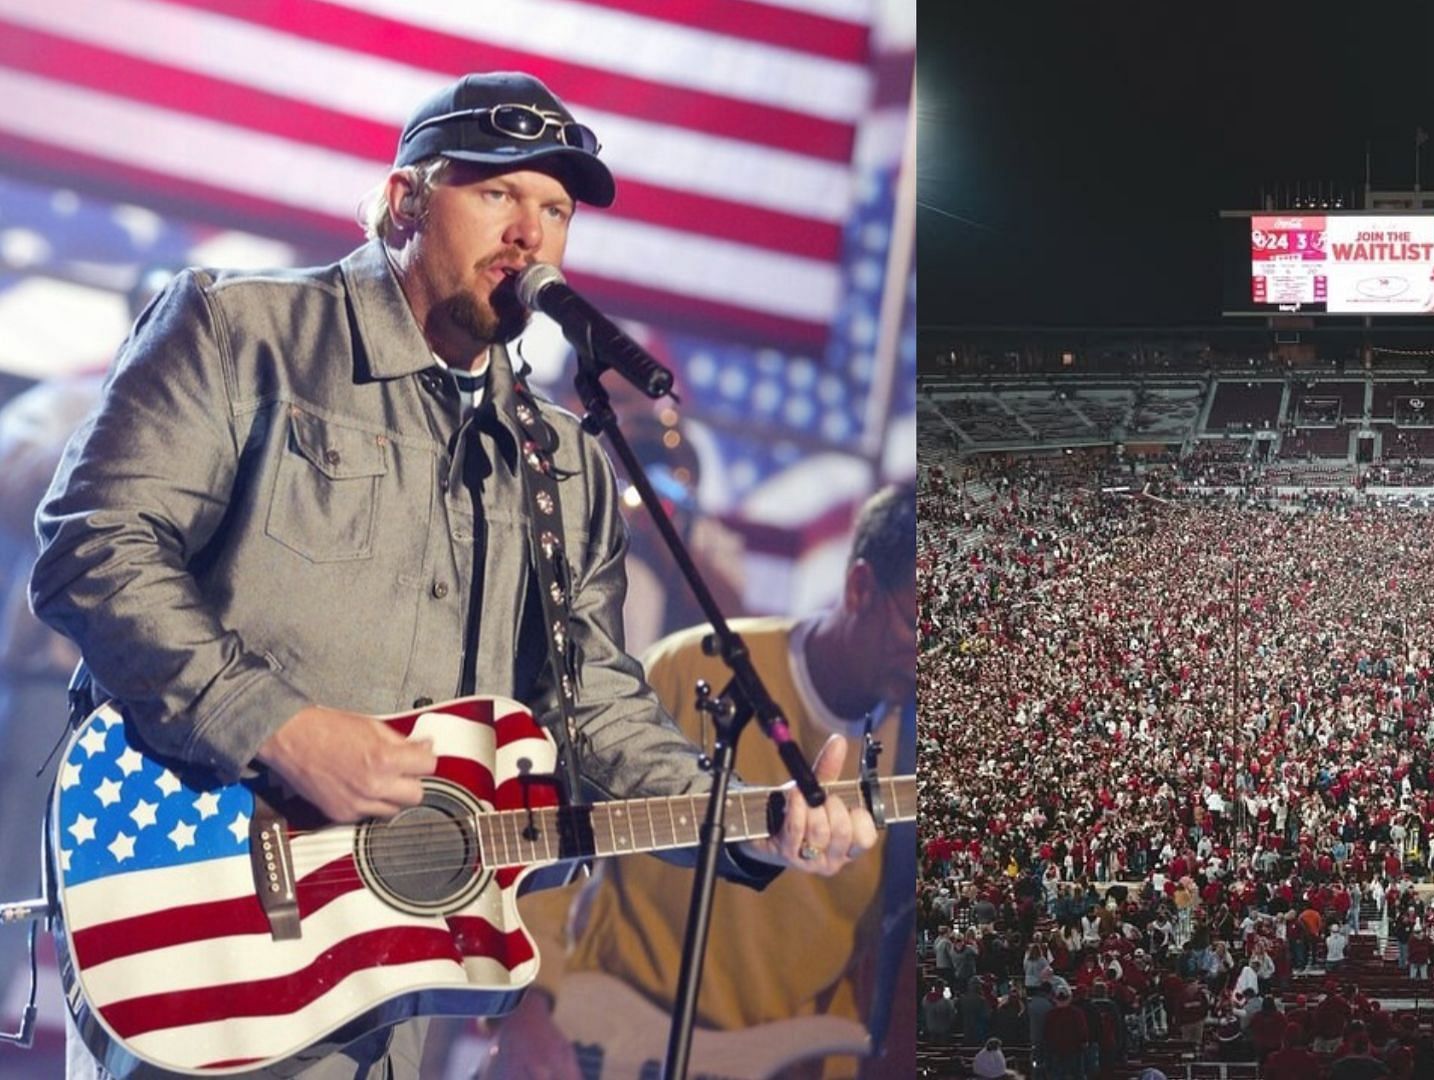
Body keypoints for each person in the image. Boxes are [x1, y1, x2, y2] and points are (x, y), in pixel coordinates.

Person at [31, 71, 878, 1080]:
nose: (530, 232)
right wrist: (280, 727)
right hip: (205, 900)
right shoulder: (241, 329)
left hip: (393, 963)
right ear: (405, 201)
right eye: (497, 193)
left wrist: (752, 820)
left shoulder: (563, 459)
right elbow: (94, 546)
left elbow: (594, 710)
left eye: (555, 209)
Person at [493, 486, 913, 1079]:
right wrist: (529, 1000)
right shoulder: (695, 665)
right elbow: (558, 827)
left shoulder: (917, 759)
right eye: (916, 624)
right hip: (601, 1033)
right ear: (859, 587)